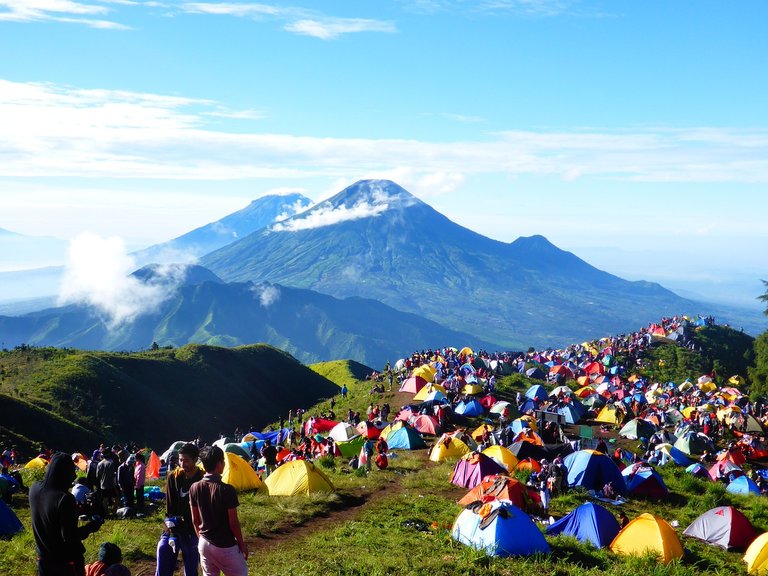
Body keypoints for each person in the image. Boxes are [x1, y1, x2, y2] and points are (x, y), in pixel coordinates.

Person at [30, 452, 104, 576]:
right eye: (71, 472)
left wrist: (77, 510)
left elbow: (51, 515)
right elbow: (70, 536)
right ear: (63, 474)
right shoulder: (64, 498)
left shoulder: (34, 488)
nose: (74, 476)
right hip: (65, 561)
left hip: (43, 558)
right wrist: (92, 526)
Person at [189, 446, 248, 576]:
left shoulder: (194, 488)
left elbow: (195, 520)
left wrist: (201, 539)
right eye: (223, 461)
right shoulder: (227, 490)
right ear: (219, 464)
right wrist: (242, 545)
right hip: (225, 545)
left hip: (204, 542)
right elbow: (233, 524)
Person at [155, 443, 204, 576]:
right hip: (174, 526)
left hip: (194, 529)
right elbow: (170, 507)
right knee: (163, 548)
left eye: (186, 460)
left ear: (195, 460)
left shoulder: (202, 478)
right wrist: (171, 531)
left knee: (192, 559)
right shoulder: (174, 477)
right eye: (180, 460)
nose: (182, 464)